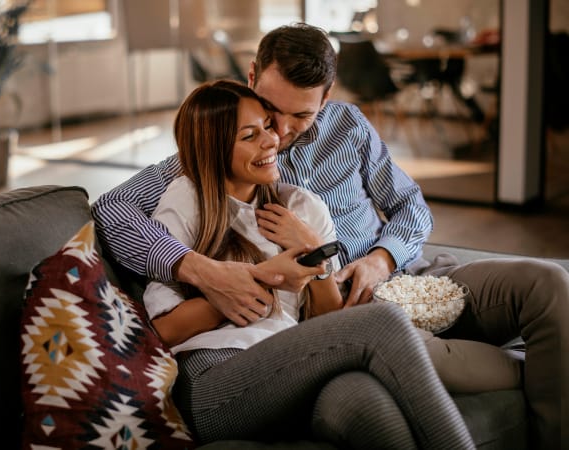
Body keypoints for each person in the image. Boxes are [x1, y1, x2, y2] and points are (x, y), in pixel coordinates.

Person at [92, 23, 568, 449]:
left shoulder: (348, 130)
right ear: (253, 78)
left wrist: (382, 257)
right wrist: (204, 270)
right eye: (269, 113)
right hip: (330, 323)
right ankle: (526, 368)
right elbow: (110, 208)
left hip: (398, 280)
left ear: (327, 94)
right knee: (371, 373)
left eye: (300, 116)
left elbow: (411, 207)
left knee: (549, 283)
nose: (278, 132)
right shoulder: (206, 163)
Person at [140, 79, 474, 448]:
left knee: (361, 399)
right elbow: (167, 330)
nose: (271, 141)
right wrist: (259, 280)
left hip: (288, 364)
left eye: (267, 127)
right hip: (213, 380)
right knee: (384, 322)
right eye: (250, 136)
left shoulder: (302, 206)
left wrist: (315, 254)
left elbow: (326, 318)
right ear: (214, 149)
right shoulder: (187, 201)